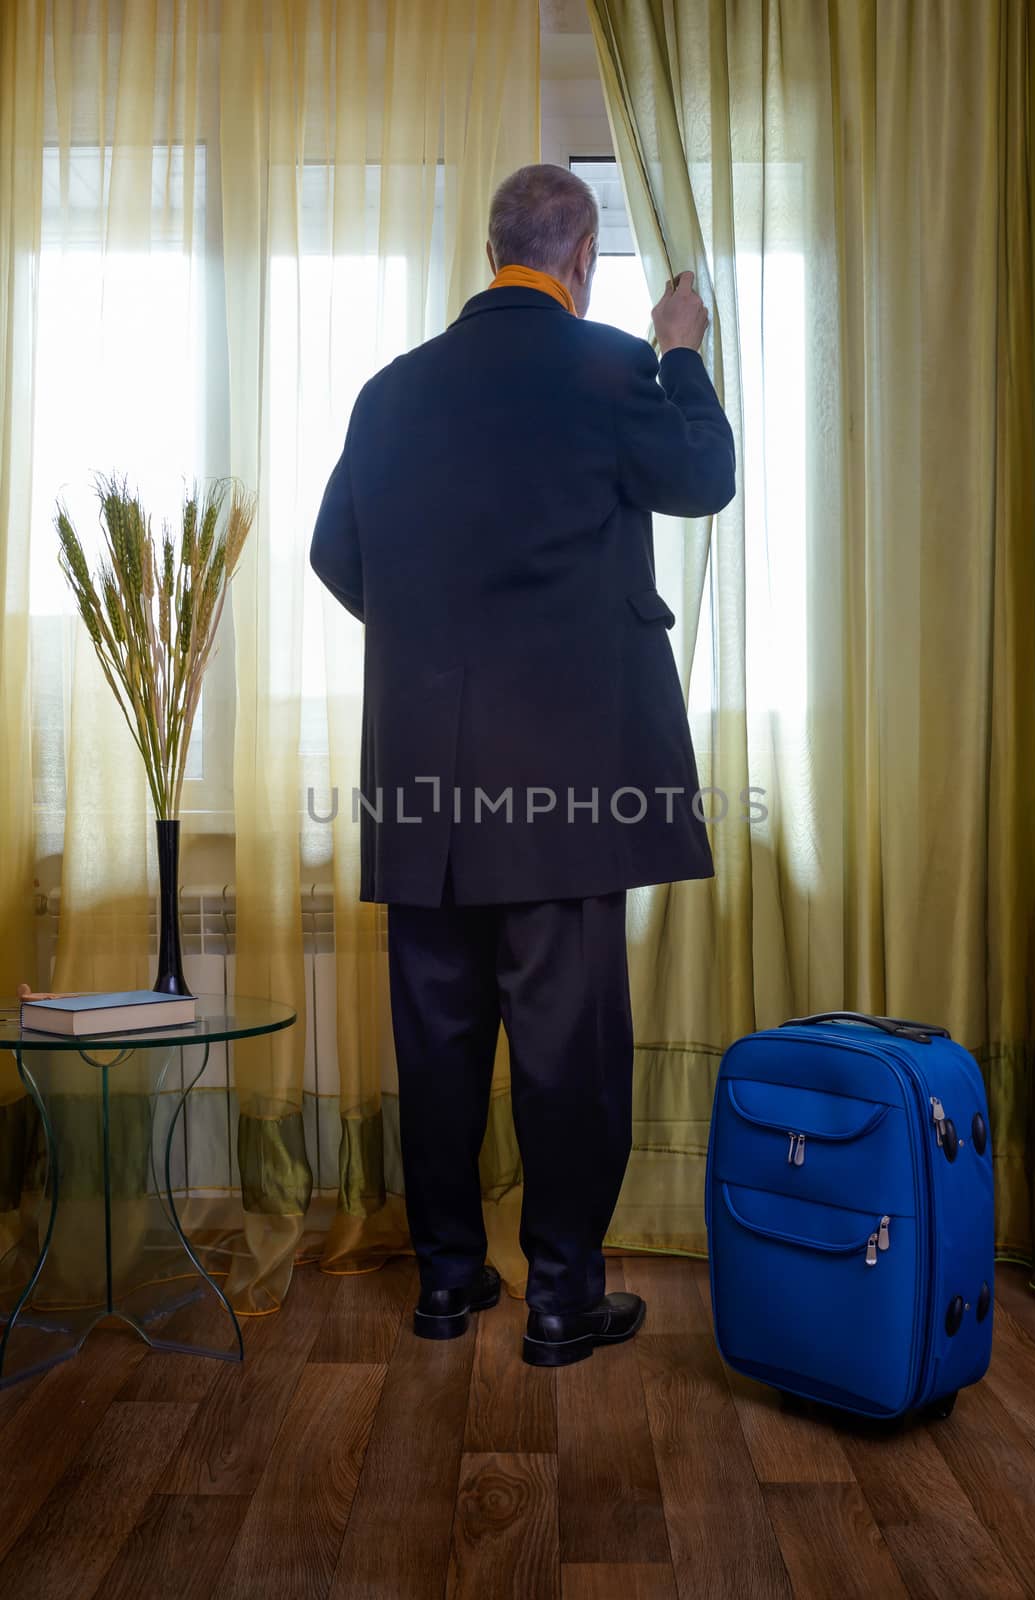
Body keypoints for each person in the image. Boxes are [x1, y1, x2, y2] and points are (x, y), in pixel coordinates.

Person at [310, 163, 735, 1367]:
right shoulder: (612, 370)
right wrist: (682, 350)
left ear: (495, 246)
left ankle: (447, 1285)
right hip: (568, 788)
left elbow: (336, 554)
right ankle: (560, 1300)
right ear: (584, 258)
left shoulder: (388, 395)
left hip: (424, 787)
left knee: (438, 1045)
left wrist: (436, 643)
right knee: (568, 1054)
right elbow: (703, 478)